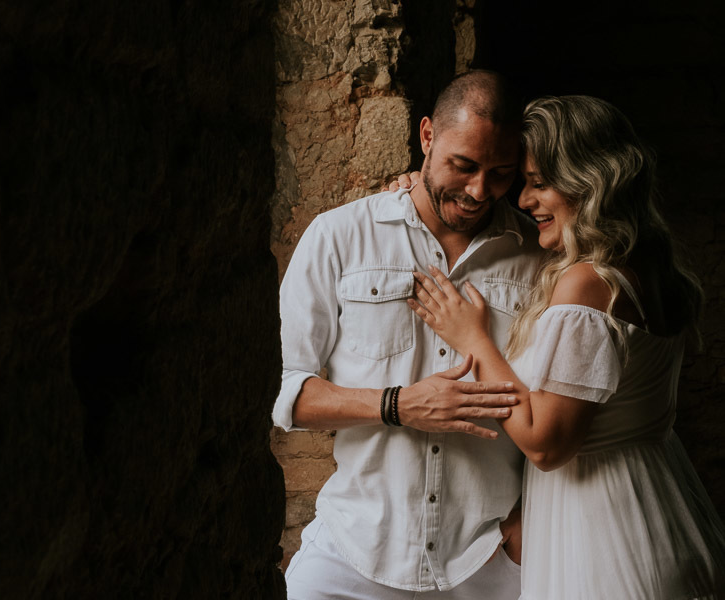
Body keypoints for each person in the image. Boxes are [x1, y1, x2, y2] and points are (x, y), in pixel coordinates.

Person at [409, 95, 725, 599]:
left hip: (604, 530)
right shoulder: (652, 270)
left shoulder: (587, 284)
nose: (525, 201)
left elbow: (545, 443)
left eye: (538, 184)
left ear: (590, 180)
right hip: (662, 504)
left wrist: (473, 339)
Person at [273, 70, 546, 599]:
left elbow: (566, 402)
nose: (477, 191)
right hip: (353, 554)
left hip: (489, 560)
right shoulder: (339, 237)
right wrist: (398, 404)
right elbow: (289, 392)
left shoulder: (537, 258)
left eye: (500, 174)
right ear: (426, 136)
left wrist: (529, 516)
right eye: (463, 166)